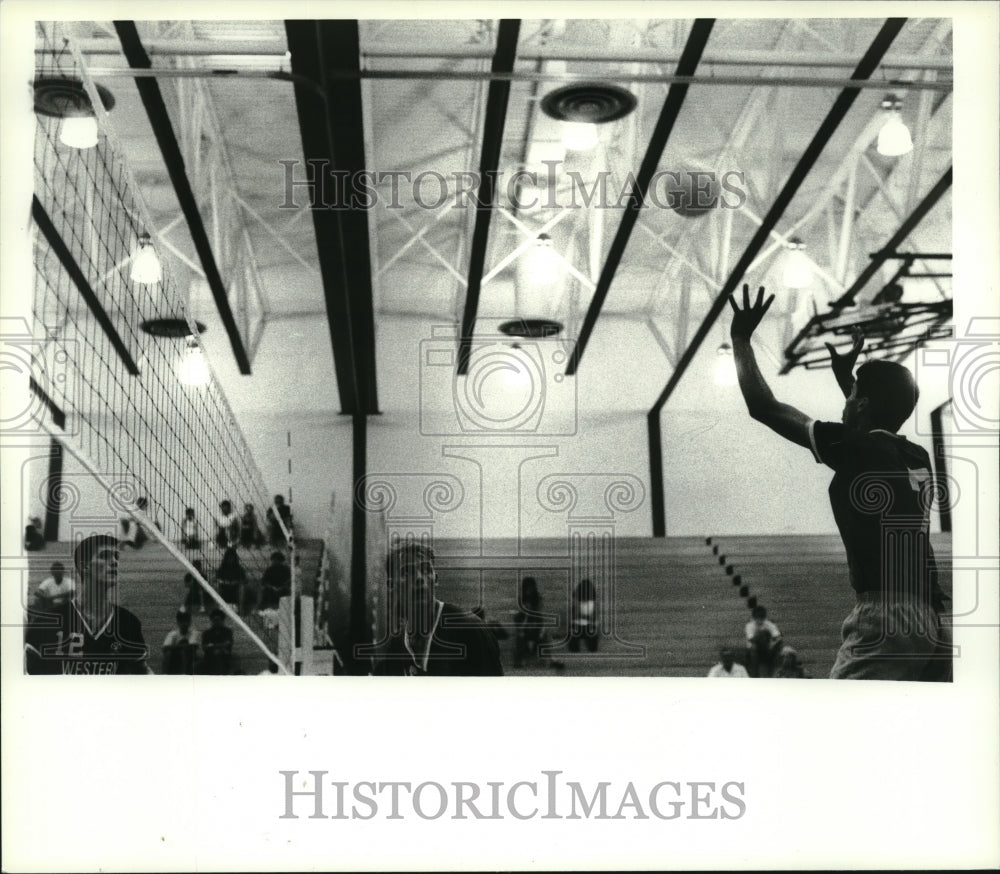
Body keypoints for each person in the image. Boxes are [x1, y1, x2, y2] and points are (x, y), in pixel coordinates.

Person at [728, 284, 951, 681]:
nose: (846, 400)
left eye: (852, 396)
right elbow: (872, 420)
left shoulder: (858, 449)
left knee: (837, 713)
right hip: (930, 618)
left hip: (886, 616)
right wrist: (849, 381)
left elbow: (764, 407)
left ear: (861, 405)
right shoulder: (916, 456)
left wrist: (741, 339)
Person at [24, 533, 148, 674]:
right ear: (84, 566)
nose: (114, 562)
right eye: (104, 556)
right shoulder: (46, 622)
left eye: (116, 556)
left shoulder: (129, 623)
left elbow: (142, 674)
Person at [376, 542, 503, 676]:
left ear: (435, 579)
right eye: (407, 572)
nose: (419, 578)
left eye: (426, 570)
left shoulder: (471, 629)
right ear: (391, 585)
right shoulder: (396, 647)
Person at [512, 576, 564, 669]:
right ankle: (519, 660)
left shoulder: (537, 606)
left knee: (544, 637)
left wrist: (542, 631)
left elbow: (541, 621)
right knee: (520, 638)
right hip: (525, 631)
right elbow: (520, 626)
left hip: (536, 630)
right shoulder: (520, 612)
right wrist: (525, 617)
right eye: (527, 589)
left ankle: (551, 660)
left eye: (530, 588)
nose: (529, 591)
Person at [744, 605, 783, 678]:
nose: (760, 618)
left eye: (762, 616)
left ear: (765, 616)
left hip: (767, 648)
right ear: (754, 616)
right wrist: (762, 635)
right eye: (758, 616)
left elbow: (777, 636)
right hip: (754, 649)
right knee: (755, 646)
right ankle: (755, 674)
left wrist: (772, 645)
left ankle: (773, 673)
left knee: (778, 646)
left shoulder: (769, 624)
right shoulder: (749, 625)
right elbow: (751, 639)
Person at [162, 609, 200, 675]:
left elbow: (193, 646)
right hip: (175, 658)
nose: (184, 624)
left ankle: (184, 673)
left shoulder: (194, 633)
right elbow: (165, 648)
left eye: (186, 621)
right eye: (182, 621)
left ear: (190, 622)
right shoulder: (172, 634)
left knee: (185, 649)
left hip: (191, 658)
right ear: (178, 622)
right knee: (168, 653)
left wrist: (176, 647)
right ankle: (165, 675)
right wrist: (181, 647)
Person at [568, 578, 600, 654]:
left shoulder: (576, 602)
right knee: (592, 646)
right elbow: (595, 620)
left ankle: (575, 650)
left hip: (577, 626)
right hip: (588, 627)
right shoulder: (593, 604)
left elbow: (572, 616)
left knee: (574, 644)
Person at [200, 608, 234, 675]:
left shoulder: (227, 631)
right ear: (211, 620)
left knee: (219, 654)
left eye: (219, 620)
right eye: (214, 620)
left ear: (223, 620)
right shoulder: (206, 633)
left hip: (224, 654)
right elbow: (204, 647)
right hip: (209, 656)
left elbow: (228, 644)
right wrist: (219, 646)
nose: (216, 622)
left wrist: (212, 646)